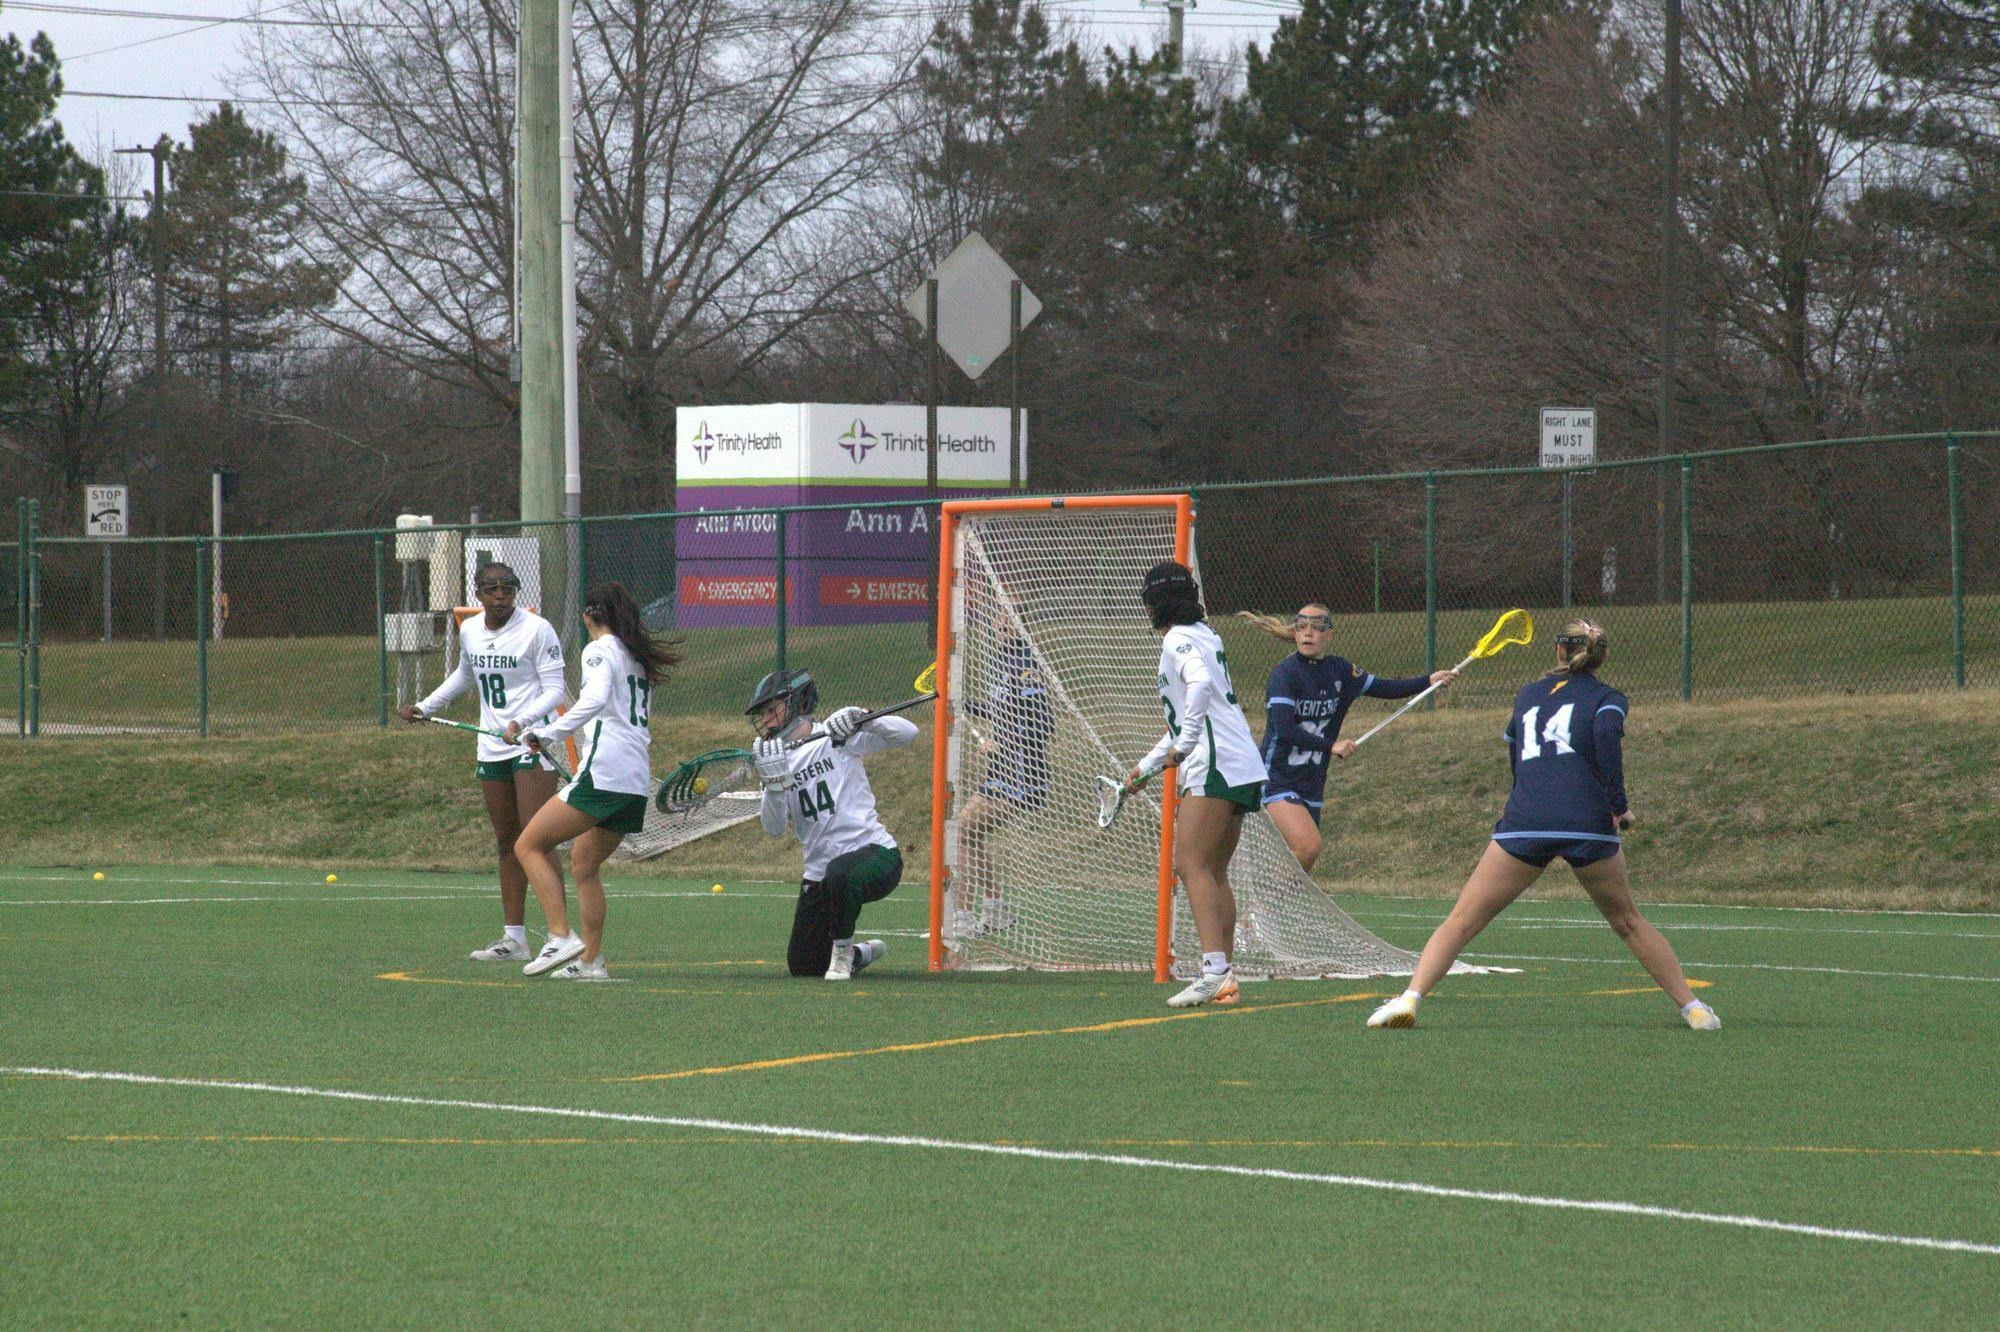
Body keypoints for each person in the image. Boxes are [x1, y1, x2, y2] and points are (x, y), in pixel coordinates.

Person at [1366, 619, 1720, 1031]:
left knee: (1462, 920)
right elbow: (1606, 736)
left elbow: (1515, 748)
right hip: (1586, 824)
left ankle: (1409, 999)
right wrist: (1619, 807)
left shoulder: (1528, 694)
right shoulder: (1609, 697)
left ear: (1557, 651)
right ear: (1602, 656)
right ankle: (1692, 1009)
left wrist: (1528, 794)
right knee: (1627, 921)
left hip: (1525, 821)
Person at [396, 561, 569, 963]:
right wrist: (425, 705)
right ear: (478, 593)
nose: (500, 596)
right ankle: (514, 939)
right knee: (507, 841)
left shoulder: (536, 630)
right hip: (491, 746)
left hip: (529, 743)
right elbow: (464, 674)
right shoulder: (471, 629)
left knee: (536, 840)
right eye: (492, 589)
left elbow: (555, 689)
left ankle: (561, 936)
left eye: (508, 588)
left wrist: (521, 722)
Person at [1119, 560, 1268, 1009]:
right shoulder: (1206, 635)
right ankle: (1225, 974)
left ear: (1153, 604)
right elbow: (1191, 713)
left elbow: (1199, 690)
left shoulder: (1177, 639)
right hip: (1241, 763)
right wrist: (1147, 767)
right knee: (1214, 870)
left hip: (1215, 763)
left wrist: (1183, 748)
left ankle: (1215, 972)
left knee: (1190, 864)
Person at [510, 582, 678, 980]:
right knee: (584, 864)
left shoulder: (599, 649)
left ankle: (560, 937)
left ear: (589, 616)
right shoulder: (636, 656)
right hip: (634, 781)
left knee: (528, 845)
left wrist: (544, 732)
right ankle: (591, 962)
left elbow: (595, 699)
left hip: (606, 772)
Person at [1240, 603, 1457, 872]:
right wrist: (1331, 745)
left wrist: (1429, 680)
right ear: (1295, 634)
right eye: (1302, 627)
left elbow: (1385, 688)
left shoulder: (1340, 670)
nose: (1309, 633)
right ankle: (1263, 909)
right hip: (1277, 779)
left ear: (1329, 635)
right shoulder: (1285, 673)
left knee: (1301, 862)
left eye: (1318, 627)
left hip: (1312, 782)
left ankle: (1259, 913)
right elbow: (1284, 729)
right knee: (1308, 847)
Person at [747, 667, 917, 980]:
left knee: (840, 872)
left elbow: (909, 733)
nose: (767, 720)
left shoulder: (837, 736)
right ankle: (859, 954)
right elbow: (772, 828)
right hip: (820, 873)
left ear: (798, 702)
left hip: (875, 855)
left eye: (772, 710)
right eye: (763, 713)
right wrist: (772, 785)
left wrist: (865, 716)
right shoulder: (775, 757)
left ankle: (842, 952)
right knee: (804, 965)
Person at [948, 637, 1055, 942]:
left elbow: (1043, 722)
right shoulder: (998, 661)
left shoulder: (1025, 663)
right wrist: (963, 702)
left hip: (1024, 774)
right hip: (1001, 770)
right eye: (997, 613)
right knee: (970, 833)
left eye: (1006, 613)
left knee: (964, 828)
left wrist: (1003, 744)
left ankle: (964, 919)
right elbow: (1002, 712)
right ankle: (994, 910)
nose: (999, 619)